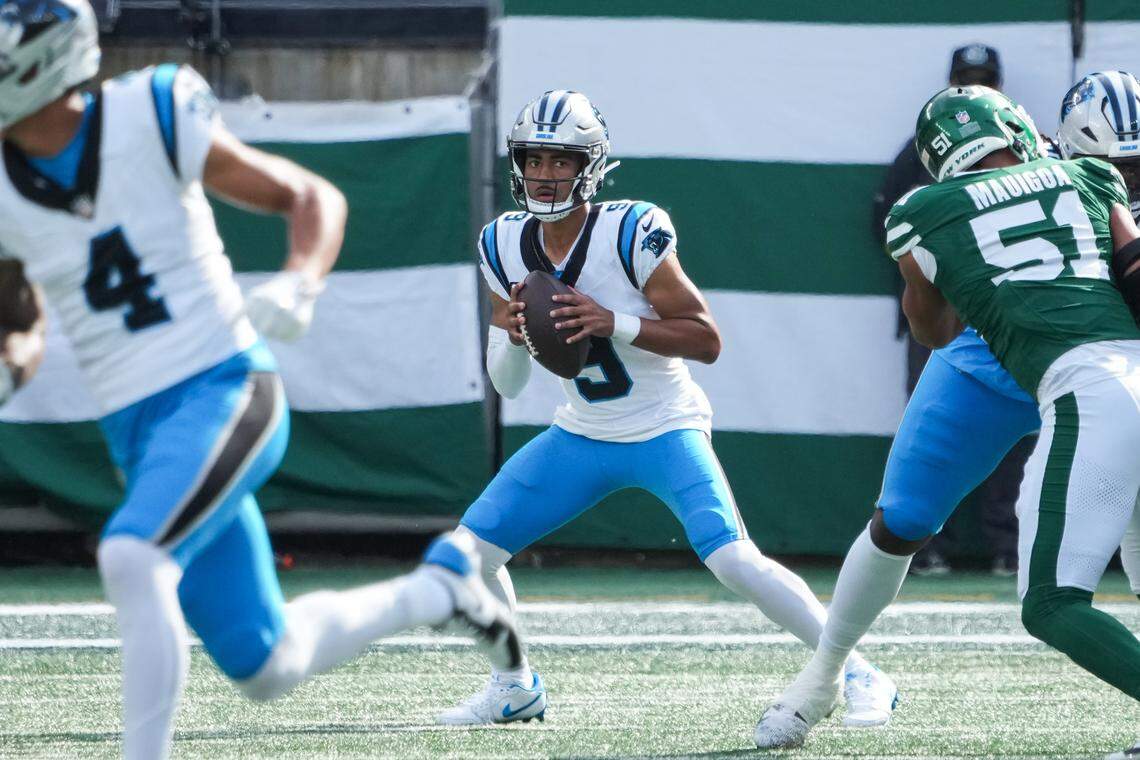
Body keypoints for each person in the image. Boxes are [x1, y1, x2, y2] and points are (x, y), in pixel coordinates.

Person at [0, 3, 521, 758]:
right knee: (267, 662)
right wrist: (13, 359)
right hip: (137, 432)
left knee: (131, 555)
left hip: (224, 385)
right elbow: (20, 313)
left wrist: (299, 283)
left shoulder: (151, 112)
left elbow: (312, 197)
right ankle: (440, 589)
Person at [438, 89, 897, 727]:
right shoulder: (502, 242)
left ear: (589, 166)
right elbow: (508, 384)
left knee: (735, 560)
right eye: (534, 159)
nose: (545, 174)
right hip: (581, 432)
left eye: (560, 161)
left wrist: (613, 322)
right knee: (468, 555)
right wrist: (515, 336)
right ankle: (514, 686)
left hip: (664, 426)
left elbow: (706, 339)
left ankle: (858, 671)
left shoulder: (629, 231)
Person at [756, 85, 1140, 757]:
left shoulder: (946, 201)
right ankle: (822, 677)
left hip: (1092, 372)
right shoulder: (1076, 181)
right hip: (997, 360)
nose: (1133, 181)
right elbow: (943, 324)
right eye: (1127, 169)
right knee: (903, 516)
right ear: (1056, 144)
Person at [872, 43, 1023, 576]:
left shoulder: (1026, 154)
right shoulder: (918, 155)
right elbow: (887, 226)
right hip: (945, 315)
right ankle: (925, 538)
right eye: (966, 79)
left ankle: (1006, 539)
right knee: (932, 430)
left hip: (1007, 316)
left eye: (984, 80)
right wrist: (932, 279)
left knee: (1015, 430)